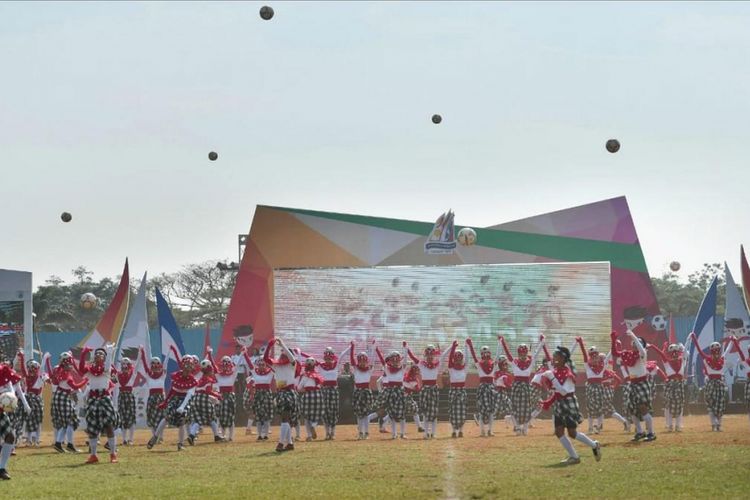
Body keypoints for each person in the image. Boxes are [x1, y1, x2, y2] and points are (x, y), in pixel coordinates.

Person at [540, 346, 601, 465]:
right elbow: (558, 393)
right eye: (554, 356)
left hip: (569, 404)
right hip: (559, 404)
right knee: (559, 432)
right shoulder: (556, 372)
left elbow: (563, 392)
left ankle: (594, 445)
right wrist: (549, 401)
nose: (554, 358)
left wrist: (551, 377)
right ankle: (574, 457)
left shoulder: (567, 373)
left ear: (563, 358)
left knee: (572, 433)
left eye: (557, 356)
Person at [149, 348, 199, 451]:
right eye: (186, 366)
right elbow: (172, 391)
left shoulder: (193, 381)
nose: (188, 368)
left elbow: (189, 395)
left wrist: (182, 407)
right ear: (183, 365)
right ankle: (155, 437)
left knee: (182, 421)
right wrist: (165, 401)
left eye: (190, 366)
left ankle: (180, 444)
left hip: (184, 401)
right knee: (166, 417)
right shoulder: (176, 376)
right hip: (175, 399)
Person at [611, 330, 656, 441]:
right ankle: (640, 432)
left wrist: (634, 336)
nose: (635, 344)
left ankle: (651, 433)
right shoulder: (627, 354)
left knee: (643, 408)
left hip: (642, 383)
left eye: (638, 343)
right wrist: (613, 340)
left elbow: (641, 349)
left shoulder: (643, 354)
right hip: (632, 384)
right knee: (631, 409)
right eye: (634, 343)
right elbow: (615, 353)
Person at [78, 344, 119, 464]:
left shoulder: (107, 369)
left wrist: (110, 352)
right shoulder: (90, 369)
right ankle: (93, 455)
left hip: (104, 398)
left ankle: (113, 454)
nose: (98, 355)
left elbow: (107, 366)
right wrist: (83, 354)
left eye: (101, 353)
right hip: (92, 398)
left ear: (105, 358)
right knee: (92, 428)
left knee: (109, 426)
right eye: (96, 353)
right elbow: (81, 369)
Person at [499, 335, 544, 435]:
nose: (523, 355)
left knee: (527, 408)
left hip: (527, 386)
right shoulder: (514, 361)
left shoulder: (531, 361)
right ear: (518, 353)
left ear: (527, 353)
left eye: (524, 353)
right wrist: (502, 342)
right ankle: (517, 427)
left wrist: (541, 341)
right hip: (516, 387)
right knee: (514, 407)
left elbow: (537, 352)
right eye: (521, 353)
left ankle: (525, 428)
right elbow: (507, 353)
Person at [688, 332, 733, 431]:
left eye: (718, 350)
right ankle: (714, 425)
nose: (717, 352)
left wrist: (732, 340)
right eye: (715, 350)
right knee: (711, 405)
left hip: (720, 384)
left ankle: (718, 425)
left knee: (720, 405)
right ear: (712, 351)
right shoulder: (706, 358)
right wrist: (694, 338)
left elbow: (728, 350)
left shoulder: (722, 358)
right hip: (711, 384)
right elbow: (699, 349)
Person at [404, 342, 449, 439]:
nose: (430, 356)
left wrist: (452, 346)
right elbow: (412, 356)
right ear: (425, 355)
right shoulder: (421, 364)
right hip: (425, 389)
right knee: (425, 412)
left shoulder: (437, 364)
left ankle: (433, 433)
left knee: (434, 412)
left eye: (431, 354)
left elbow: (444, 355)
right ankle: (425, 433)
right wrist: (406, 347)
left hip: (433, 389)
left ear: (434, 355)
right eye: (428, 354)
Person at [264, 337, 299, 452]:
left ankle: (280, 443)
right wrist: (270, 345)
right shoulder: (276, 365)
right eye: (282, 354)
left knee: (285, 419)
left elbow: (292, 358)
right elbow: (265, 358)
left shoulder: (292, 365)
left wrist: (282, 345)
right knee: (286, 419)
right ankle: (289, 443)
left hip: (289, 393)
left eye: (285, 354)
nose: (283, 355)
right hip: (280, 393)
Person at [48, 351, 87, 453]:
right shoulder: (65, 373)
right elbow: (74, 386)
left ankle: (59, 443)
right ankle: (68, 444)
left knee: (68, 422)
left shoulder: (61, 370)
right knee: (69, 421)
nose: (71, 365)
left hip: (61, 396)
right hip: (63, 397)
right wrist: (85, 381)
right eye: (70, 363)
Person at [0, 354, 32, 479]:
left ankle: (2, 468)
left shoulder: (4, 370)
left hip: (1, 411)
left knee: (10, 437)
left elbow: (13, 388)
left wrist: (10, 398)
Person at [187, 349, 225, 445]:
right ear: (209, 370)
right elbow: (208, 391)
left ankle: (191, 435)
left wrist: (209, 354)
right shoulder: (208, 380)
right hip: (203, 398)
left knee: (197, 420)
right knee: (211, 418)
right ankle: (216, 436)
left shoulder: (200, 378)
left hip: (195, 399)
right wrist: (218, 396)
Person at [648, 342, 687, 432]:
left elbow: (685, 352)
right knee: (668, 405)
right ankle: (670, 425)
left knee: (680, 405)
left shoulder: (682, 360)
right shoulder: (667, 362)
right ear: (670, 353)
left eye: (676, 352)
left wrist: (689, 339)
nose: (675, 354)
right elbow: (661, 353)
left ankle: (677, 425)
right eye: (673, 352)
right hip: (670, 385)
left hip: (680, 384)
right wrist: (653, 346)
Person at [466, 337, 499, 437]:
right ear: (481, 354)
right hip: (483, 388)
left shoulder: (493, 364)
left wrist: (500, 342)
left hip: (491, 388)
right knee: (482, 410)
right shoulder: (479, 364)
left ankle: (490, 430)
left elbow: (497, 356)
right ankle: (482, 431)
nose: (486, 355)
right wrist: (470, 344)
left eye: (487, 353)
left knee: (491, 410)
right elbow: (473, 355)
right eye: (484, 353)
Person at [15, 350, 49, 447]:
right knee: (29, 420)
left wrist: (45, 359)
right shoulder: (27, 377)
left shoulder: (40, 377)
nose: (32, 370)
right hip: (28, 399)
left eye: (34, 368)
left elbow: (42, 369)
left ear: (37, 369)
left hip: (37, 401)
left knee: (38, 420)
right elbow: (23, 369)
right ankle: (29, 440)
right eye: (30, 368)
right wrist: (22, 358)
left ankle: (37, 439)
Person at [374, 344, 407, 439]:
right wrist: (376, 349)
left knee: (402, 413)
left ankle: (402, 433)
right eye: (393, 360)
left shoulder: (402, 368)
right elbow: (381, 360)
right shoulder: (387, 369)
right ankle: (394, 434)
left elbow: (405, 360)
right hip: (391, 393)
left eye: (397, 360)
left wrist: (405, 348)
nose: (395, 362)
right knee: (392, 414)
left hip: (400, 392)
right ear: (390, 361)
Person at [243, 348, 274, 440]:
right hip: (258, 395)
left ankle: (265, 435)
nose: (261, 366)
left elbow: (272, 364)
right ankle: (260, 435)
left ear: (266, 365)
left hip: (267, 395)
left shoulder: (270, 372)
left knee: (267, 416)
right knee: (259, 416)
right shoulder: (254, 372)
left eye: (263, 364)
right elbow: (249, 364)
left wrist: (269, 353)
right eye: (259, 364)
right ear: (257, 364)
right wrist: (244, 354)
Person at [138, 346, 166, 443]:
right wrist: (142, 352)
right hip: (151, 398)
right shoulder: (148, 374)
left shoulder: (163, 374)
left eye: (156, 363)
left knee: (162, 418)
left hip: (161, 398)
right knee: (151, 417)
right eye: (153, 363)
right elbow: (145, 364)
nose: (154, 365)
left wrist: (170, 351)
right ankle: (155, 436)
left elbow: (165, 364)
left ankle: (160, 437)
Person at [349, 341, 375, 440]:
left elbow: (373, 360)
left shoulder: (369, 369)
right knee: (359, 414)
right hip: (358, 392)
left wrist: (373, 348)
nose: (362, 363)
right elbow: (351, 360)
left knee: (366, 414)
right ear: (358, 361)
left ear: (366, 361)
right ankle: (360, 432)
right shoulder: (356, 369)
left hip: (366, 392)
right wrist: (353, 347)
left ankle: (366, 432)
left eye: (364, 361)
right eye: (360, 361)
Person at [212, 352, 239, 441]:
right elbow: (213, 365)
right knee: (220, 416)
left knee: (231, 416)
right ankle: (223, 435)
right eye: (224, 365)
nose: (225, 367)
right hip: (221, 396)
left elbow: (237, 366)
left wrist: (243, 354)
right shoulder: (218, 375)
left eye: (227, 365)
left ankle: (231, 436)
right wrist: (209, 354)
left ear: (230, 365)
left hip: (230, 396)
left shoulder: (233, 374)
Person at [297, 357, 324, 441]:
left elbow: (298, 388)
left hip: (307, 396)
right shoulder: (318, 375)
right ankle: (314, 425)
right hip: (317, 395)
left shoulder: (304, 376)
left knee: (306, 416)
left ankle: (309, 436)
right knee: (318, 413)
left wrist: (306, 389)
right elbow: (320, 385)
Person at [113, 357, 138, 446]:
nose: (125, 365)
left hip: (130, 396)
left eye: (126, 363)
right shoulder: (117, 374)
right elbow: (112, 381)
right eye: (123, 363)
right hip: (121, 396)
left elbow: (137, 364)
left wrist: (140, 353)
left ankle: (131, 439)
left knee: (131, 418)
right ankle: (124, 439)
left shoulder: (133, 373)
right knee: (122, 418)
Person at [446, 340, 468, 438]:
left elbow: (468, 359)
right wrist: (453, 347)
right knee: (453, 411)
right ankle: (454, 431)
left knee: (462, 411)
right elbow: (449, 358)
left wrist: (467, 346)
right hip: (453, 391)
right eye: (456, 358)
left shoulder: (465, 368)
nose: (458, 360)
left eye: (460, 358)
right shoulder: (451, 368)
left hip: (462, 391)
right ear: (454, 359)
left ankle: (461, 431)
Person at [730, 337, 750, 424]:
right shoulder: (746, 361)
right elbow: (740, 352)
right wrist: (735, 341)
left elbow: (741, 353)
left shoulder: (746, 361)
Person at [402, 363, 422, 438]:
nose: (418, 372)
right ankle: (419, 427)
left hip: (405, 395)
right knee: (413, 410)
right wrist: (418, 380)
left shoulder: (406, 375)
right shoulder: (412, 378)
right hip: (406, 396)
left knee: (413, 410)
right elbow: (418, 389)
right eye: (416, 371)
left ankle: (420, 427)